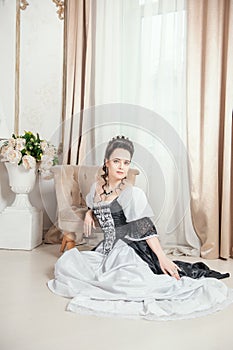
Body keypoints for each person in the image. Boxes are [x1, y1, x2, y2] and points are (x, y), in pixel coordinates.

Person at [48, 136, 233, 320]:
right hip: (105, 249)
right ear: (107, 163)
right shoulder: (96, 188)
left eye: (126, 163)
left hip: (129, 248)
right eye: (117, 161)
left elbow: (145, 229)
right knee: (66, 264)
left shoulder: (132, 193)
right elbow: (94, 205)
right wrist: (89, 213)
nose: (121, 167)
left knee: (125, 282)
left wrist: (162, 258)